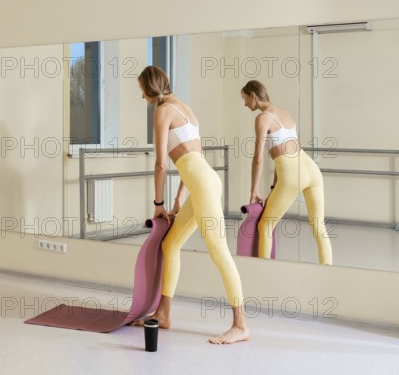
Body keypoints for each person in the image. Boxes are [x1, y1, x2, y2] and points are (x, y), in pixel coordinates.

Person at [134, 65, 249, 344]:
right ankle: (164, 314)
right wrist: (178, 199)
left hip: (204, 186)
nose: (142, 99)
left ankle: (241, 325)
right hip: (203, 182)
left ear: (150, 90)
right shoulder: (187, 109)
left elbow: (161, 163)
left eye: (142, 93)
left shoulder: (162, 111)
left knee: (219, 251)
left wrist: (158, 203)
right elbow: (193, 158)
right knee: (170, 244)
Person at [241, 80, 332, 264]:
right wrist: (274, 187)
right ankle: (328, 270)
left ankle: (264, 271)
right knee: (318, 226)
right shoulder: (285, 113)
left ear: (253, 96)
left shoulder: (262, 118)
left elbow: (258, 158)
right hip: (311, 169)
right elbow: (282, 155)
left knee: (266, 225)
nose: (245, 104)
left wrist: (254, 191)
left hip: (292, 175)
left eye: (245, 99)